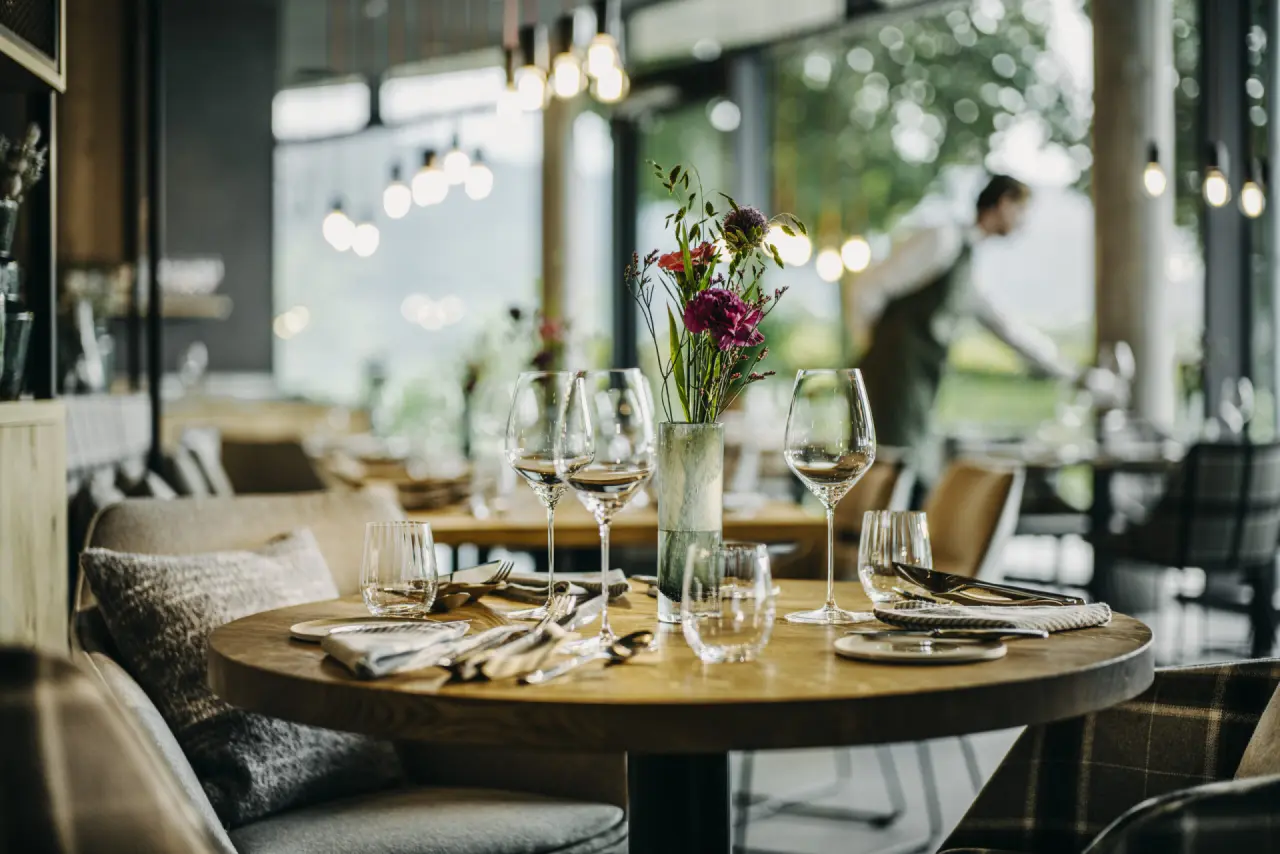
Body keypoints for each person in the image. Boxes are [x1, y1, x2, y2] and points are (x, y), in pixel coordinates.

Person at [851, 175, 1101, 491]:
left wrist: (1067, 370)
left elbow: (1005, 328)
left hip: (917, 382)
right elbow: (868, 288)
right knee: (889, 477)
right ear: (1003, 203)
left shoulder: (966, 260)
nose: (1023, 222)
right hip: (893, 378)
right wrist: (873, 350)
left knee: (908, 478)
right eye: (1021, 210)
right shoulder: (942, 239)